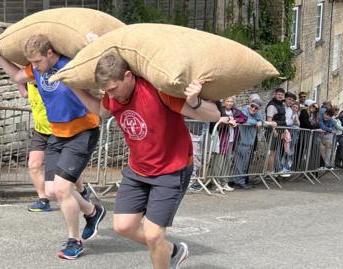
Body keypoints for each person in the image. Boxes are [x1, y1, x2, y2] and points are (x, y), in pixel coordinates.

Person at [69, 52, 220, 269]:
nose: (110, 95)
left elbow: (214, 115)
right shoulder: (112, 96)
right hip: (138, 169)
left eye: (113, 88)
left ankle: (163, 253)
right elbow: (102, 112)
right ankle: (172, 251)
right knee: (123, 226)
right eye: (106, 91)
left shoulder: (159, 92)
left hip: (171, 169)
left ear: (129, 76)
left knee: (153, 234)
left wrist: (194, 101)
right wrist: (73, 85)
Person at [0, 34, 105, 260]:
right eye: (33, 64)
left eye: (38, 61)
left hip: (82, 131)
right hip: (57, 133)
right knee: (50, 191)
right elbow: (16, 75)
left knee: (62, 189)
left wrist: (94, 47)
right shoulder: (36, 69)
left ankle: (74, 240)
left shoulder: (70, 64)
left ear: (50, 53)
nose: (36, 67)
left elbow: (96, 73)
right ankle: (92, 211)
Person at [17, 82, 90, 212]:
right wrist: (17, 79)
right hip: (40, 130)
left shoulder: (50, 83)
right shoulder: (28, 81)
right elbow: (24, 93)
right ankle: (43, 200)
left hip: (58, 129)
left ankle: (82, 191)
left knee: (67, 168)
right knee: (33, 164)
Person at [216, 96, 247, 190]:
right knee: (219, 161)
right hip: (222, 139)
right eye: (228, 101)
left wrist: (235, 120)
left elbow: (244, 118)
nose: (230, 103)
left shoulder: (235, 111)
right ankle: (217, 183)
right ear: (224, 102)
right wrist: (228, 121)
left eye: (231, 101)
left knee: (228, 162)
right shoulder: (220, 110)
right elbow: (217, 119)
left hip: (231, 140)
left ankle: (225, 182)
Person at [265, 88, 286, 172]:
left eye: (282, 95)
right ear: (275, 94)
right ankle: (270, 172)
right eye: (278, 94)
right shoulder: (272, 105)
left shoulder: (281, 105)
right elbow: (269, 120)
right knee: (272, 153)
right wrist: (274, 131)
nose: (280, 96)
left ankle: (274, 171)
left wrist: (283, 131)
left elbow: (282, 119)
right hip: (272, 132)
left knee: (275, 153)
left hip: (279, 132)